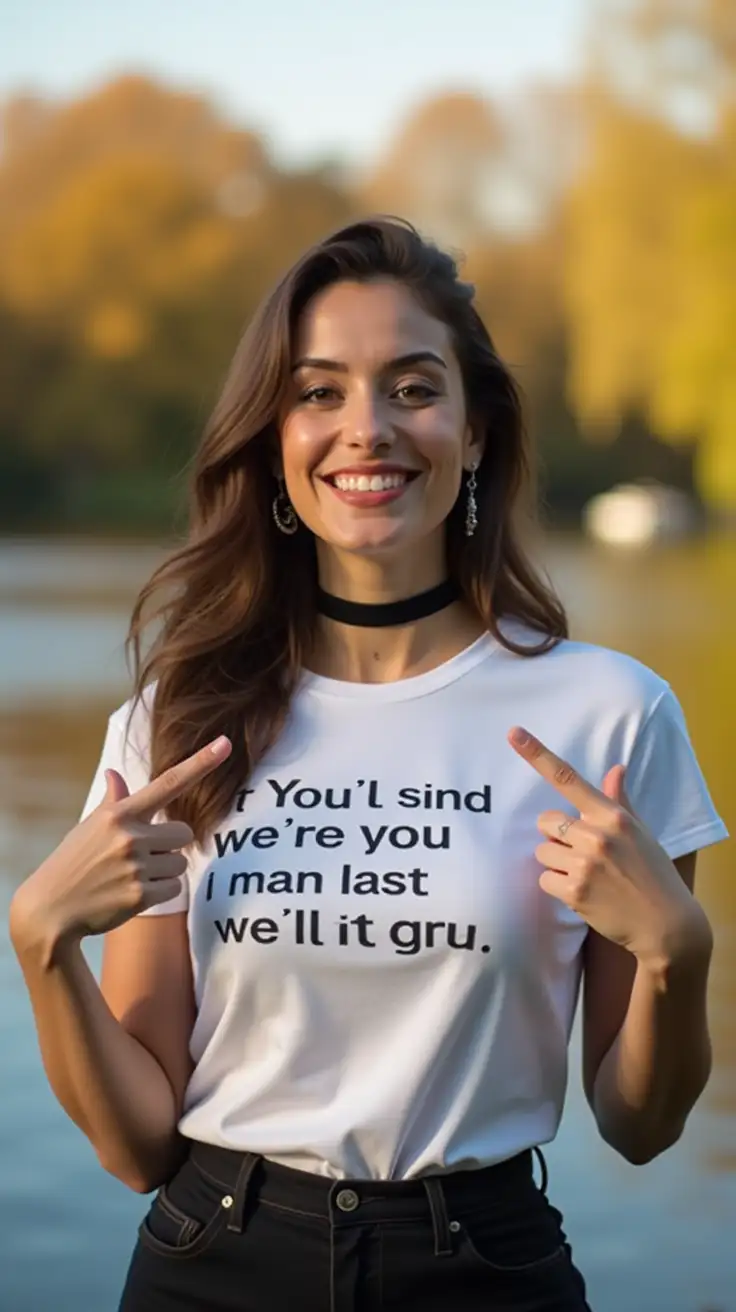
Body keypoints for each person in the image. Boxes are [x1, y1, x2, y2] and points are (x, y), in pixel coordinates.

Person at [9, 217, 728, 1312]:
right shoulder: (177, 719)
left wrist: (679, 958)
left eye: (411, 386)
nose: (367, 430)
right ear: (272, 434)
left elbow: (639, 1125)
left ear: (476, 429)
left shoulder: (608, 711)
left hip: (488, 1271)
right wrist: (41, 943)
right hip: (211, 1265)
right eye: (317, 392)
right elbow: (137, 1144)